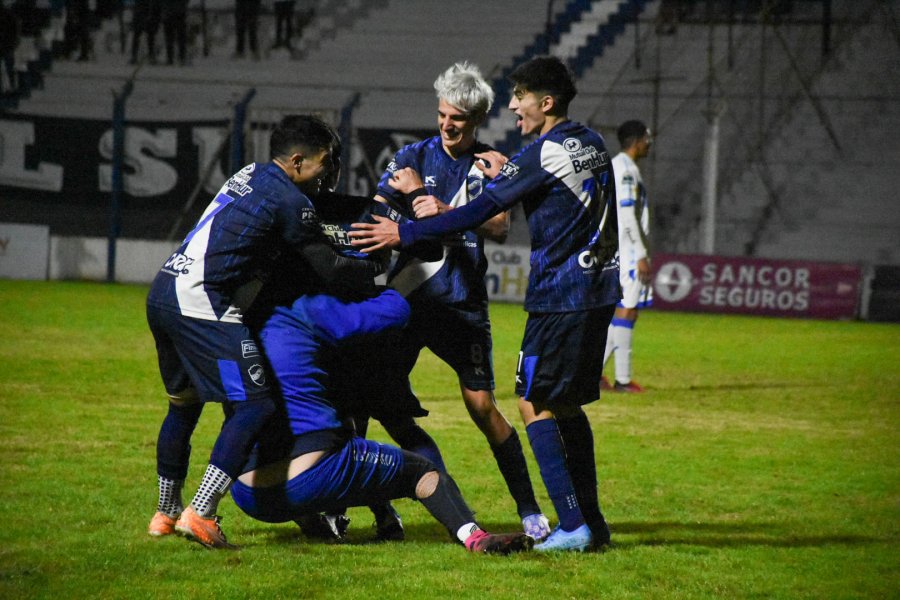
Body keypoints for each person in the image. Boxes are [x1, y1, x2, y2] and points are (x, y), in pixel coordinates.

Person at [350, 55, 621, 552]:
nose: (514, 107)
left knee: (529, 402)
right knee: (564, 405)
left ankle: (567, 523)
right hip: (592, 289)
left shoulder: (531, 156)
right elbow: (380, 208)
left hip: (550, 296)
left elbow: (488, 217)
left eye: (521, 98)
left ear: (546, 102)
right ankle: (589, 522)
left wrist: (409, 225)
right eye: (442, 114)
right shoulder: (592, 141)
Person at [146, 115, 384, 549]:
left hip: (164, 289)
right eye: (324, 163)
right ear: (297, 161)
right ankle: (201, 511)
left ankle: (165, 511)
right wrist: (377, 260)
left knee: (183, 406)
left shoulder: (250, 173)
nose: (327, 174)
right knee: (255, 405)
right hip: (203, 301)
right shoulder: (292, 201)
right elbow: (329, 268)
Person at [366, 61, 550, 541]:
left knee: (482, 406)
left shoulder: (491, 165)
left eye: (458, 119)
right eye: (442, 115)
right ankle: (381, 511)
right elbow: (378, 213)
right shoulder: (411, 156)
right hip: (407, 302)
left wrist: (445, 211)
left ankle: (529, 510)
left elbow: (500, 226)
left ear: (478, 120)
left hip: (462, 304)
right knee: (365, 396)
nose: (447, 125)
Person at [232, 286, 534, 556]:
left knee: (345, 440)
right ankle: (473, 536)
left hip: (247, 492)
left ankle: (322, 524)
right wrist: (389, 282)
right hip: (313, 473)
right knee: (422, 472)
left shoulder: (235, 328)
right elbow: (394, 311)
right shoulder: (309, 307)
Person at [601, 120, 653, 393]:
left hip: (621, 247)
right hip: (628, 250)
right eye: (647, 138)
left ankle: (594, 374)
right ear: (636, 140)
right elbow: (626, 214)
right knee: (627, 310)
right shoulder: (625, 170)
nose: (649, 143)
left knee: (625, 313)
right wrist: (640, 253)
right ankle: (622, 380)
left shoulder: (620, 166)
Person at [130, 0, 161, 65]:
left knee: (148, 37)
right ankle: (135, 56)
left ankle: (148, 56)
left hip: (147, 14)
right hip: (143, 14)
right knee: (141, 36)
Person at [161, 0, 188, 65]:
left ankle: (170, 58)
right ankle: (181, 58)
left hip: (169, 14)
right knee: (181, 38)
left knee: (170, 38)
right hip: (179, 14)